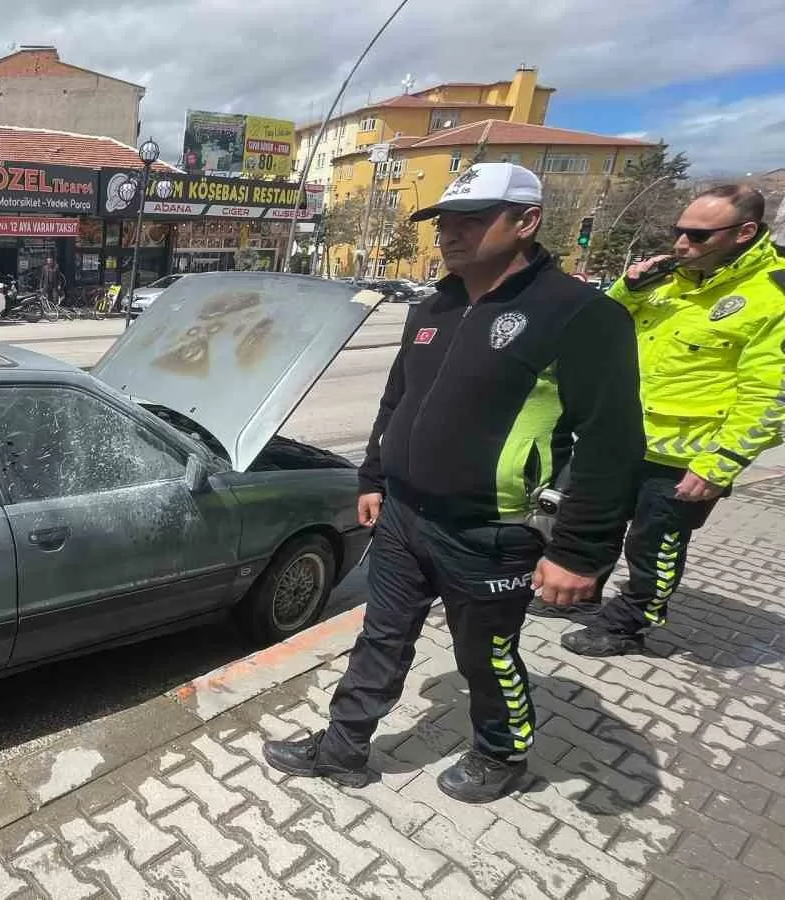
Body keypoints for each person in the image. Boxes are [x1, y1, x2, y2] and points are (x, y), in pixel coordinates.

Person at [262, 163, 644, 803]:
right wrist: (373, 476)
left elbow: (614, 443)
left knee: (485, 657)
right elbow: (397, 399)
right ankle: (342, 748)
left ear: (526, 222)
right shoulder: (433, 305)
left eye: (472, 220)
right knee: (380, 638)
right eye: (443, 222)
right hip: (404, 519)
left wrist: (581, 552)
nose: (450, 234)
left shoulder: (579, 314)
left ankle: (501, 752)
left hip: (490, 535)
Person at [541, 185, 785, 656]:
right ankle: (579, 591)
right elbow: (602, 322)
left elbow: (770, 396)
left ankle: (628, 624)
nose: (681, 243)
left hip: (686, 456)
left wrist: (721, 463)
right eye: (679, 231)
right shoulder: (668, 279)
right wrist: (628, 287)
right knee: (594, 522)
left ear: (744, 232)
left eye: (697, 235)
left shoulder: (772, 296)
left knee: (654, 546)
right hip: (621, 439)